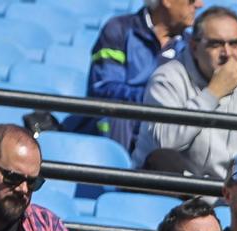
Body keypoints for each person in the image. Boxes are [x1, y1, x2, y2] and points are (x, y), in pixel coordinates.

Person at [140, 9, 237, 182]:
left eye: (235, 44)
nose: (227, 53)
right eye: (216, 44)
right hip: (184, 187)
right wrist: (213, 94)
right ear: (194, 47)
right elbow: (166, 143)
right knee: (164, 160)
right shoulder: (167, 79)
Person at [81, 0, 198, 155]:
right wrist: (160, 96)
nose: (199, 4)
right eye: (191, 0)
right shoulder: (119, 30)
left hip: (166, 134)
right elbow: (103, 88)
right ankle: (116, 173)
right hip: (122, 130)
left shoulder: (193, 46)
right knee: (120, 115)